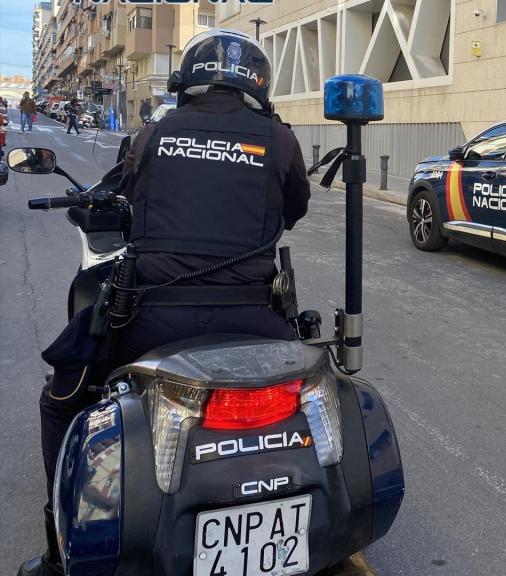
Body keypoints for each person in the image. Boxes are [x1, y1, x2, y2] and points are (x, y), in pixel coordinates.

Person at [20, 28, 310, 576]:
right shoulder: (281, 139)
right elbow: (294, 207)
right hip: (257, 321)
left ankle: (60, 553)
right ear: (259, 85)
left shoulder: (155, 132)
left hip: (152, 320)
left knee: (63, 399)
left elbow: (126, 190)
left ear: (188, 82)